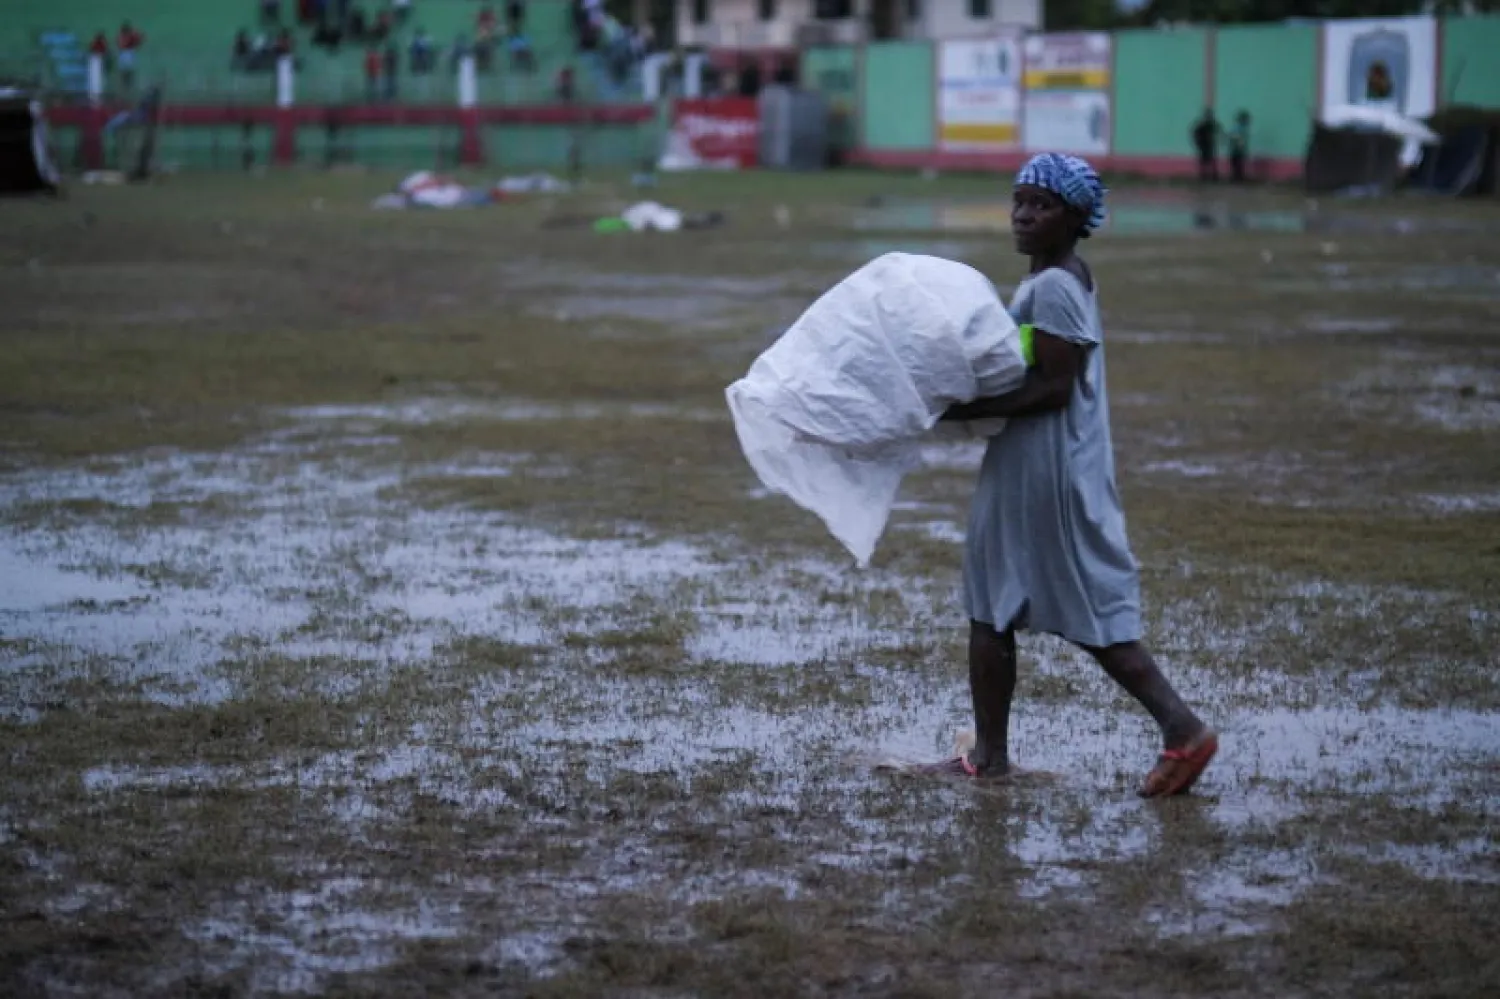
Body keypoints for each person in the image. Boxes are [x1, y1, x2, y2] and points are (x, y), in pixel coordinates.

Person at [931, 153, 1218, 797]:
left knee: (1025, 608)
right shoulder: (1056, 279)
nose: (1024, 215)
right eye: (1019, 201)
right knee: (999, 606)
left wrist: (957, 410)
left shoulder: (1057, 284)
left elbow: (1054, 388)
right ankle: (990, 758)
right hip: (1036, 461)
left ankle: (1183, 728)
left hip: (1044, 467)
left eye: (1042, 205)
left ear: (1076, 217)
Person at [1192, 108, 1219, 182]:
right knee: (1205, 161)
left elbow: (1217, 133)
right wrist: (1198, 143)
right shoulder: (1202, 125)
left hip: (1209, 145)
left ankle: (1213, 176)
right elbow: (1196, 134)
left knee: (1211, 160)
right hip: (1204, 145)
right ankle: (1205, 176)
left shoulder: (1212, 124)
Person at [1228, 110, 1251, 184]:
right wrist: (1240, 145)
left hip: (1236, 149)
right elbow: (1236, 138)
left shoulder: (1239, 128)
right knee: (1238, 164)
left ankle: (1237, 177)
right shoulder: (1239, 128)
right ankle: (1237, 178)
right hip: (1236, 149)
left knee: (1238, 164)